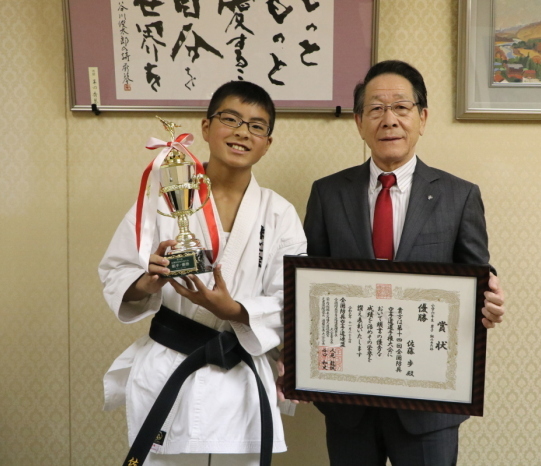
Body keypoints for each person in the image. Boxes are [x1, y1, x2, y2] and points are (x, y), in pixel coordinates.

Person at [302, 60, 506, 465]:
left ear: (422, 118)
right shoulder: (327, 194)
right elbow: (310, 285)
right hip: (348, 402)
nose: (389, 119)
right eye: (376, 109)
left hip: (428, 406)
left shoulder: (459, 196)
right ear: (359, 121)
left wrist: (488, 299)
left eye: (401, 107)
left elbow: (474, 275)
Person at [99, 81, 307, 466]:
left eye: (257, 126)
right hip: (169, 366)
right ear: (207, 128)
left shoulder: (280, 215)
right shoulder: (164, 197)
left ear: (267, 143)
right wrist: (147, 281)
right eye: (231, 119)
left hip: (241, 379)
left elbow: (293, 303)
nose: (243, 132)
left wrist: (235, 310)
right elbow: (115, 272)